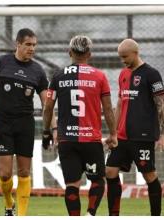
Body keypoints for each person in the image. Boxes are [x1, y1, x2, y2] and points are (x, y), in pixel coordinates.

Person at [0, 28, 56, 216]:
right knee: (5, 174)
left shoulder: (38, 70)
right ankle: (8, 203)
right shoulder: (1, 62)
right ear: (18, 44)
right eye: (28, 45)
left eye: (34, 45)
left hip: (25, 124)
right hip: (3, 123)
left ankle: (21, 216)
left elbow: (47, 104)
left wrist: (52, 128)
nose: (32, 49)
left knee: (23, 172)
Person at [42, 35, 117, 216]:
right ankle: (90, 214)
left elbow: (48, 108)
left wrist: (46, 131)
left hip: (67, 140)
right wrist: (113, 134)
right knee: (98, 180)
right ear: (89, 54)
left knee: (71, 185)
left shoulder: (58, 76)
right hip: (91, 139)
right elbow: (107, 108)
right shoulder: (100, 77)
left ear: (70, 53)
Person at [105, 38, 164, 216]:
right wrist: (113, 132)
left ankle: (156, 215)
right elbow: (120, 102)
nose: (122, 60)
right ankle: (113, 215)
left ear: (135, 53)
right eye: (120, 57)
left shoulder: (152, 74)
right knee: (110, 171)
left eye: (125, 56)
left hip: (142, 136)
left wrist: (163, 134)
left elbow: (161, 104)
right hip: (122, 136)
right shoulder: (123, 74)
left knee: (149, 175)